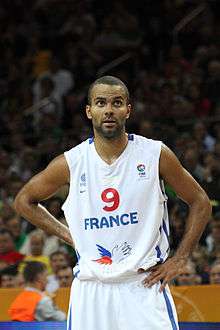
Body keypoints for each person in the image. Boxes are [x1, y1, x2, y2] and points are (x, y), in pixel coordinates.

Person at [14, 76, 211, 330]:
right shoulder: (71, 163)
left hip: (143, 283)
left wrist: (181, 258)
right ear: (89, 111)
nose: (108, 110)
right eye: (100, 103)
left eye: (117, 103)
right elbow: (23, 201)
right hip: (91, 288)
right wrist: (71, 236)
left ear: (128, 110)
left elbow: (200, 201)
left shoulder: (155, 154)